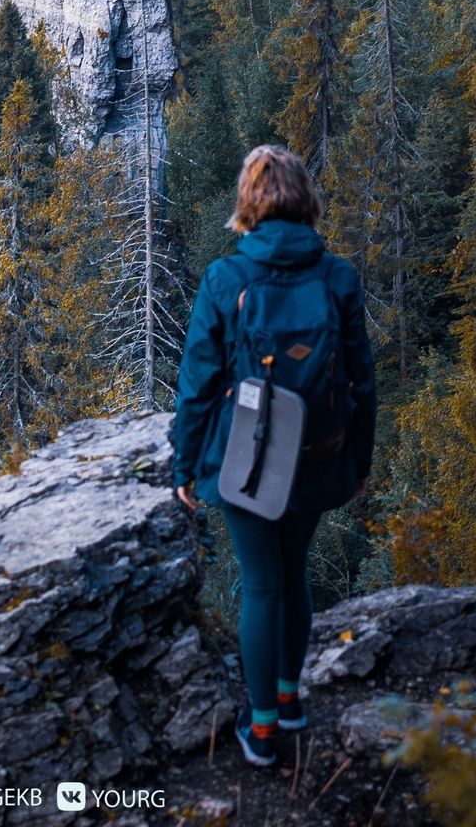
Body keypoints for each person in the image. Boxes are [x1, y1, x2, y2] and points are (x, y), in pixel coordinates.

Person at [172, 145, 376, 767]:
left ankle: (262, 732)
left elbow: (199, 382)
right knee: (294, 575)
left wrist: (185, 466)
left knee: (259, 585)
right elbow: (363, 381)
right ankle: (288, 700)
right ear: (304, 199)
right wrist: (358, 463)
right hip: (319, 451)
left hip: (246, 456)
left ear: (248, 204)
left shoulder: (225, 280)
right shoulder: (337, 276)